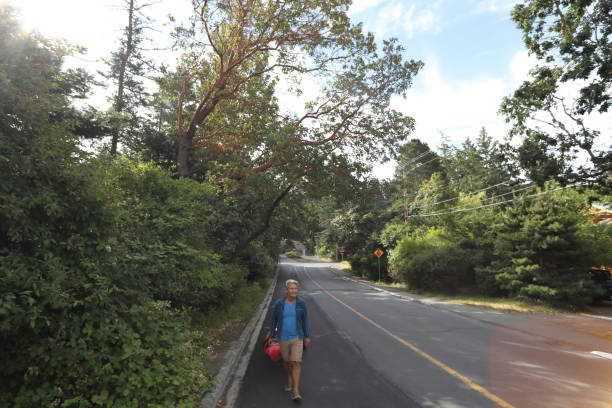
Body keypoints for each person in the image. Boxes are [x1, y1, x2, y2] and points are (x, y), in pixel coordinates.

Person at [270, 279, 311, 401]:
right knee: (286, 362)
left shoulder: (301, 303)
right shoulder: (279, 304)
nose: (294, 291)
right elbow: (274, 321)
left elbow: (305, 321)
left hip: (297, 337)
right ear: (286, 290)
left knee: (296, 362)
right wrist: (272, 336)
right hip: (283, 337)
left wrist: (307, 336)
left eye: (295, 288)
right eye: (291, 288)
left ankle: (296, 391)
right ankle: (288, 379)